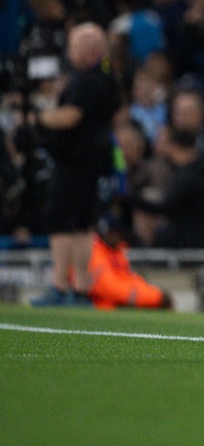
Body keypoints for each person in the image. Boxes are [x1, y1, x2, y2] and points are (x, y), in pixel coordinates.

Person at [29, 23, 122, 307]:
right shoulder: (108, 77)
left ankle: (59, 284)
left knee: (60, 218)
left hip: (74, 159)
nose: (69, 53)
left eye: (74, 46)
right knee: (83, 223)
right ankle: (81, 287)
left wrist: (41, 118)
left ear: (90, 51)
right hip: (94, 160)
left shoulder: (88, 80)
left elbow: (71, 116)